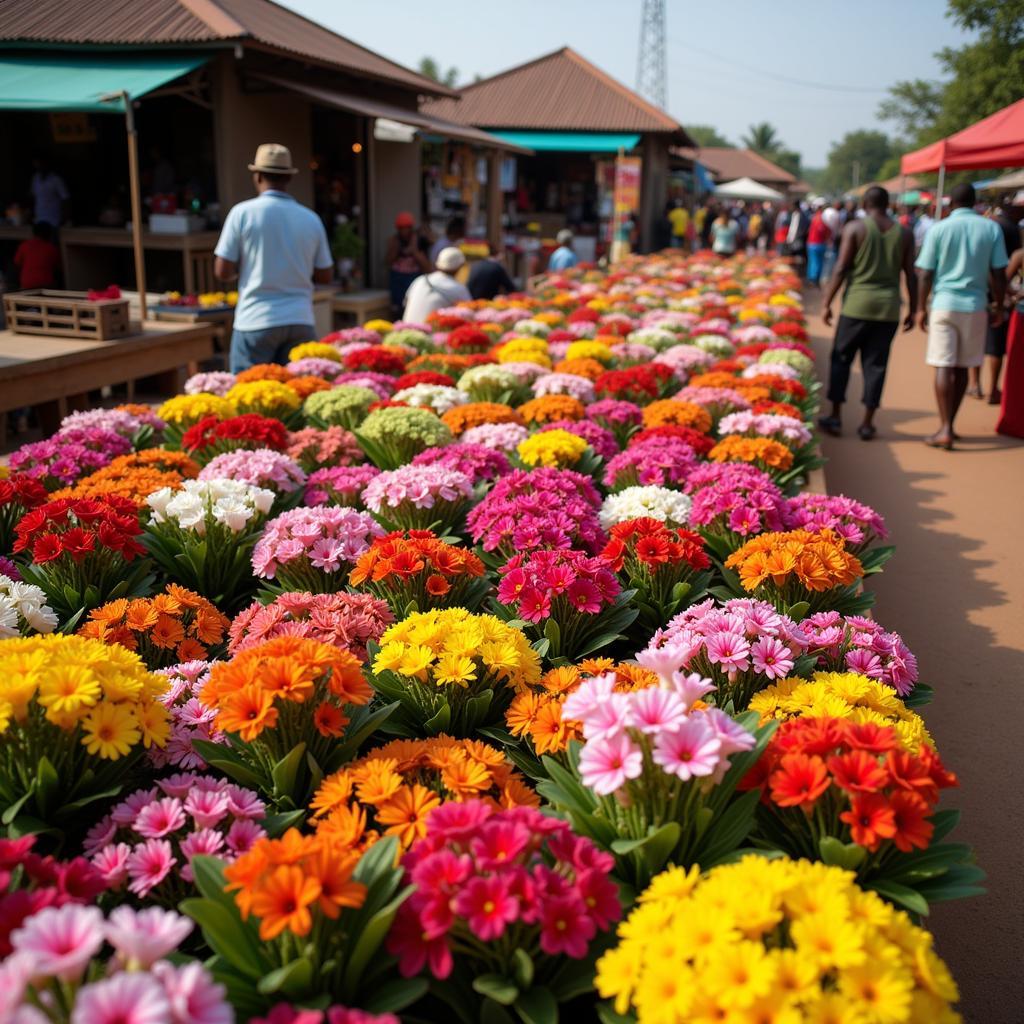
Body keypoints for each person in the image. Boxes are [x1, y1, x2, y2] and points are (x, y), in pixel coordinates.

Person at [214, 143, 333, 373]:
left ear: (257, 176)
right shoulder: (311, 218)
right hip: (300, 318)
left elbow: (222, 271)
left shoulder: (242, 213)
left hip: (255, 319)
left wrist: (249, 268)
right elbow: (325, 275)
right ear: (288, 178)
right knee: (298, 397)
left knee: (249, 397)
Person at [819, 186, 917, 440]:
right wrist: (915, 308)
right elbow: (910, 273)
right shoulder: (904, 233)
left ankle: (836, 415)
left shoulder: (855, 229)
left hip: (857, 305)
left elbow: (841, 268)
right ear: (888, 204)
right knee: (876, 364)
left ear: (865, 203)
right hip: (888, 308)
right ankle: (867, 422)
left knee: (841, 358)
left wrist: (827, 302)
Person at [915, 182, 1008, 449]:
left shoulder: (939, 229)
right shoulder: (991, 228)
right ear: (975, 202)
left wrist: (921, 308)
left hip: (944, 303)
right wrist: (999, 307)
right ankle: (950, 425)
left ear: (950, 203)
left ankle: (944, 427)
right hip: (976, 305)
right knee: (964, 366)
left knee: (943, 364)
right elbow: (999, 274)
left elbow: (925, 273)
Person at [969, 202, 1022, 402]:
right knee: (995, 345)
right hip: (998, 294)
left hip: (983, 292)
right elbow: (1000, 272)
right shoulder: (1010, 231)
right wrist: (1003, 299)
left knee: (980, 342)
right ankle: (992, 390)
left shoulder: (988, 227)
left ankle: (975, 385)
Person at [996, 245, 1024, 437]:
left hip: (1021, 315)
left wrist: (1015, 294)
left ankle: (1014, 421)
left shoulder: (1020, 254)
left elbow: (1002, 281)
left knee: (1017, 370)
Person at [403, 246, 472, 322]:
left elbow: (406, 303)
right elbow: (469, 314)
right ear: (460, 267)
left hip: (405, 329)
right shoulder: (459, 289)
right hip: (430, 332)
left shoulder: (420, 279)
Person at [386, 212, 431, 311]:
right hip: (397, 278)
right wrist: (395, 247)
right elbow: (388, 261)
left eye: (406, 228)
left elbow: (427, 267)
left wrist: (414, 250)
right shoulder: (394, 240)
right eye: (401, 228)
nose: (404, 231)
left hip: (413, 277)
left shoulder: (419, 241)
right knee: (397, 308)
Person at [13, 222, 60, 289]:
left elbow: (17, 264)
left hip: (27, 284)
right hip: (45, 285)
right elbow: (58, 267)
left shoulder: (24, 245)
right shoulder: (52, 248)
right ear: (49, 234)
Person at [30, 158, 69, 229]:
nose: (39, 167)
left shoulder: (56, 180)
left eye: (41, 164)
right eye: (37, 165)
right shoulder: (35, 178)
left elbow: (65, 199)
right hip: (39, 219)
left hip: (53, 220)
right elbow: (34, 196)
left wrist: (64, 217)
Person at [805, 205, 832, 285]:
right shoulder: (822, 218)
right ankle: (814, 279)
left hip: (812, 243)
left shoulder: (814, 217)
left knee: (812, 261)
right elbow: (826, 231)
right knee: (817, 262)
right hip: (818, 243)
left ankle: (811, 277)